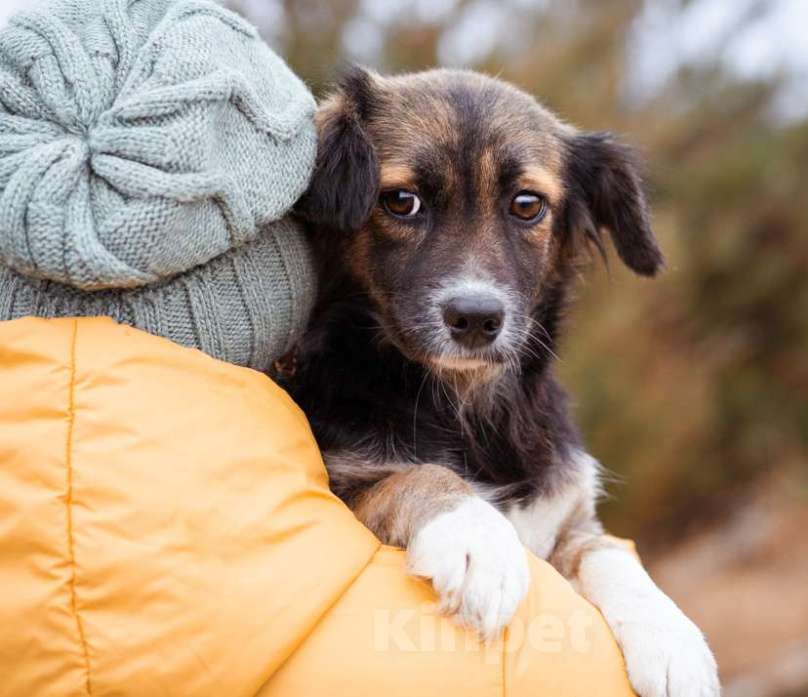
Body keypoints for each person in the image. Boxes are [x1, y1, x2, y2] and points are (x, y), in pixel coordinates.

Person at [0, 1, 637, 694]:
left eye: (525, 208)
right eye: (402, 203)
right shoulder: (287, 459)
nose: (475, 284)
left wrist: (608, 569)